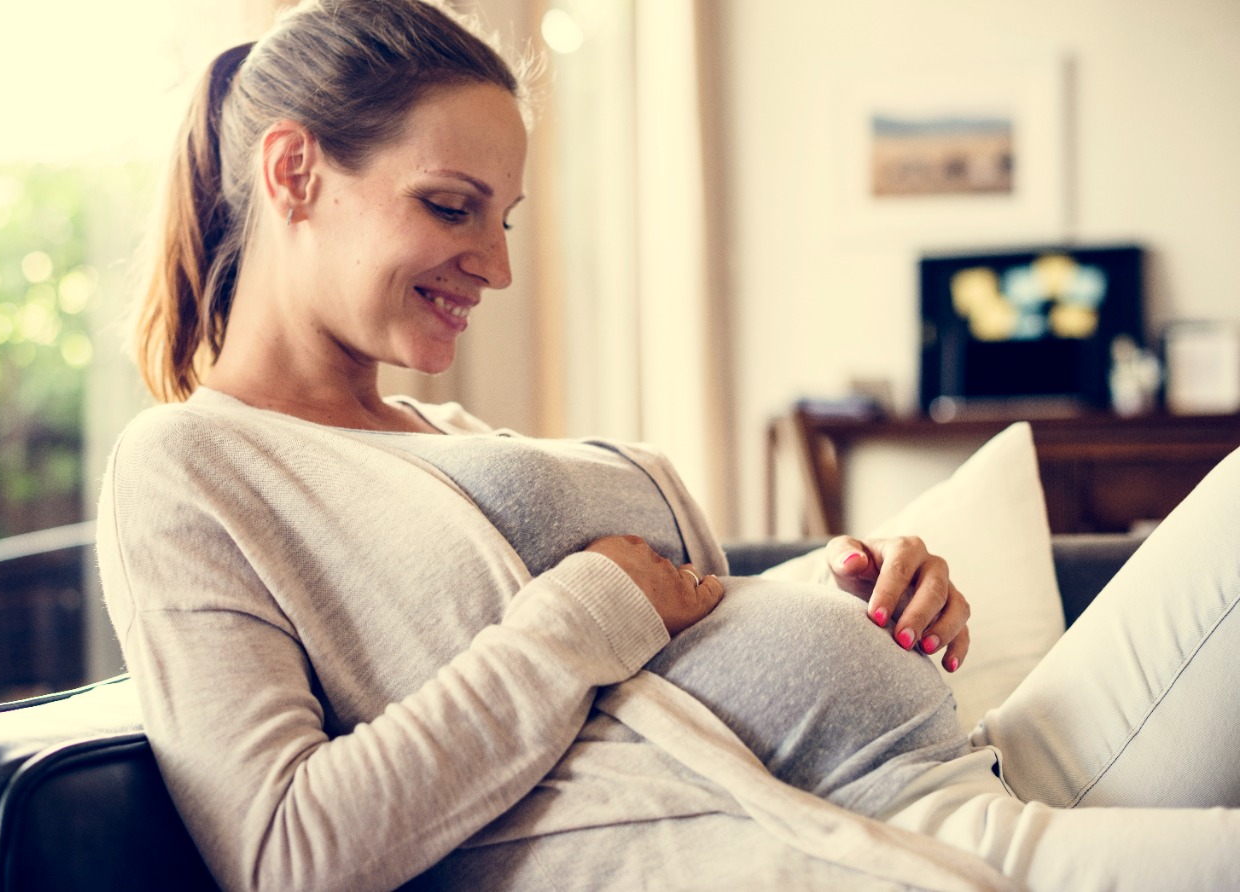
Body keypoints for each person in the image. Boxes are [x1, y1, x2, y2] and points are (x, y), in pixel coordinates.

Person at [96, 1, 1240, 890]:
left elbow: (668, 659)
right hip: (881, 839)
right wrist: (586, 606)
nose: (495, 267)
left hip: (969, 757)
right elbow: (287, 852)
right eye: (451, 207)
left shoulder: (432, 433)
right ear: (294, 171)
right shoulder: (190, 468)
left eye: (505, 220)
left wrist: (852, 583)